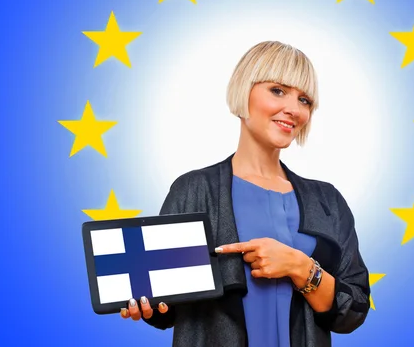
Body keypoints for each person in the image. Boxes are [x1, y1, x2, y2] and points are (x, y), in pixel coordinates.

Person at [121, 40, 371, 346]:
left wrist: (299, 266)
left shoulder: (328, 201)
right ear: (244, 91)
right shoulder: (194, 190)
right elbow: (167, 307)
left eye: (304, 100)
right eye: (278, 90)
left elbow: (353, 311)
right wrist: (147, 305)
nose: (293, 109)